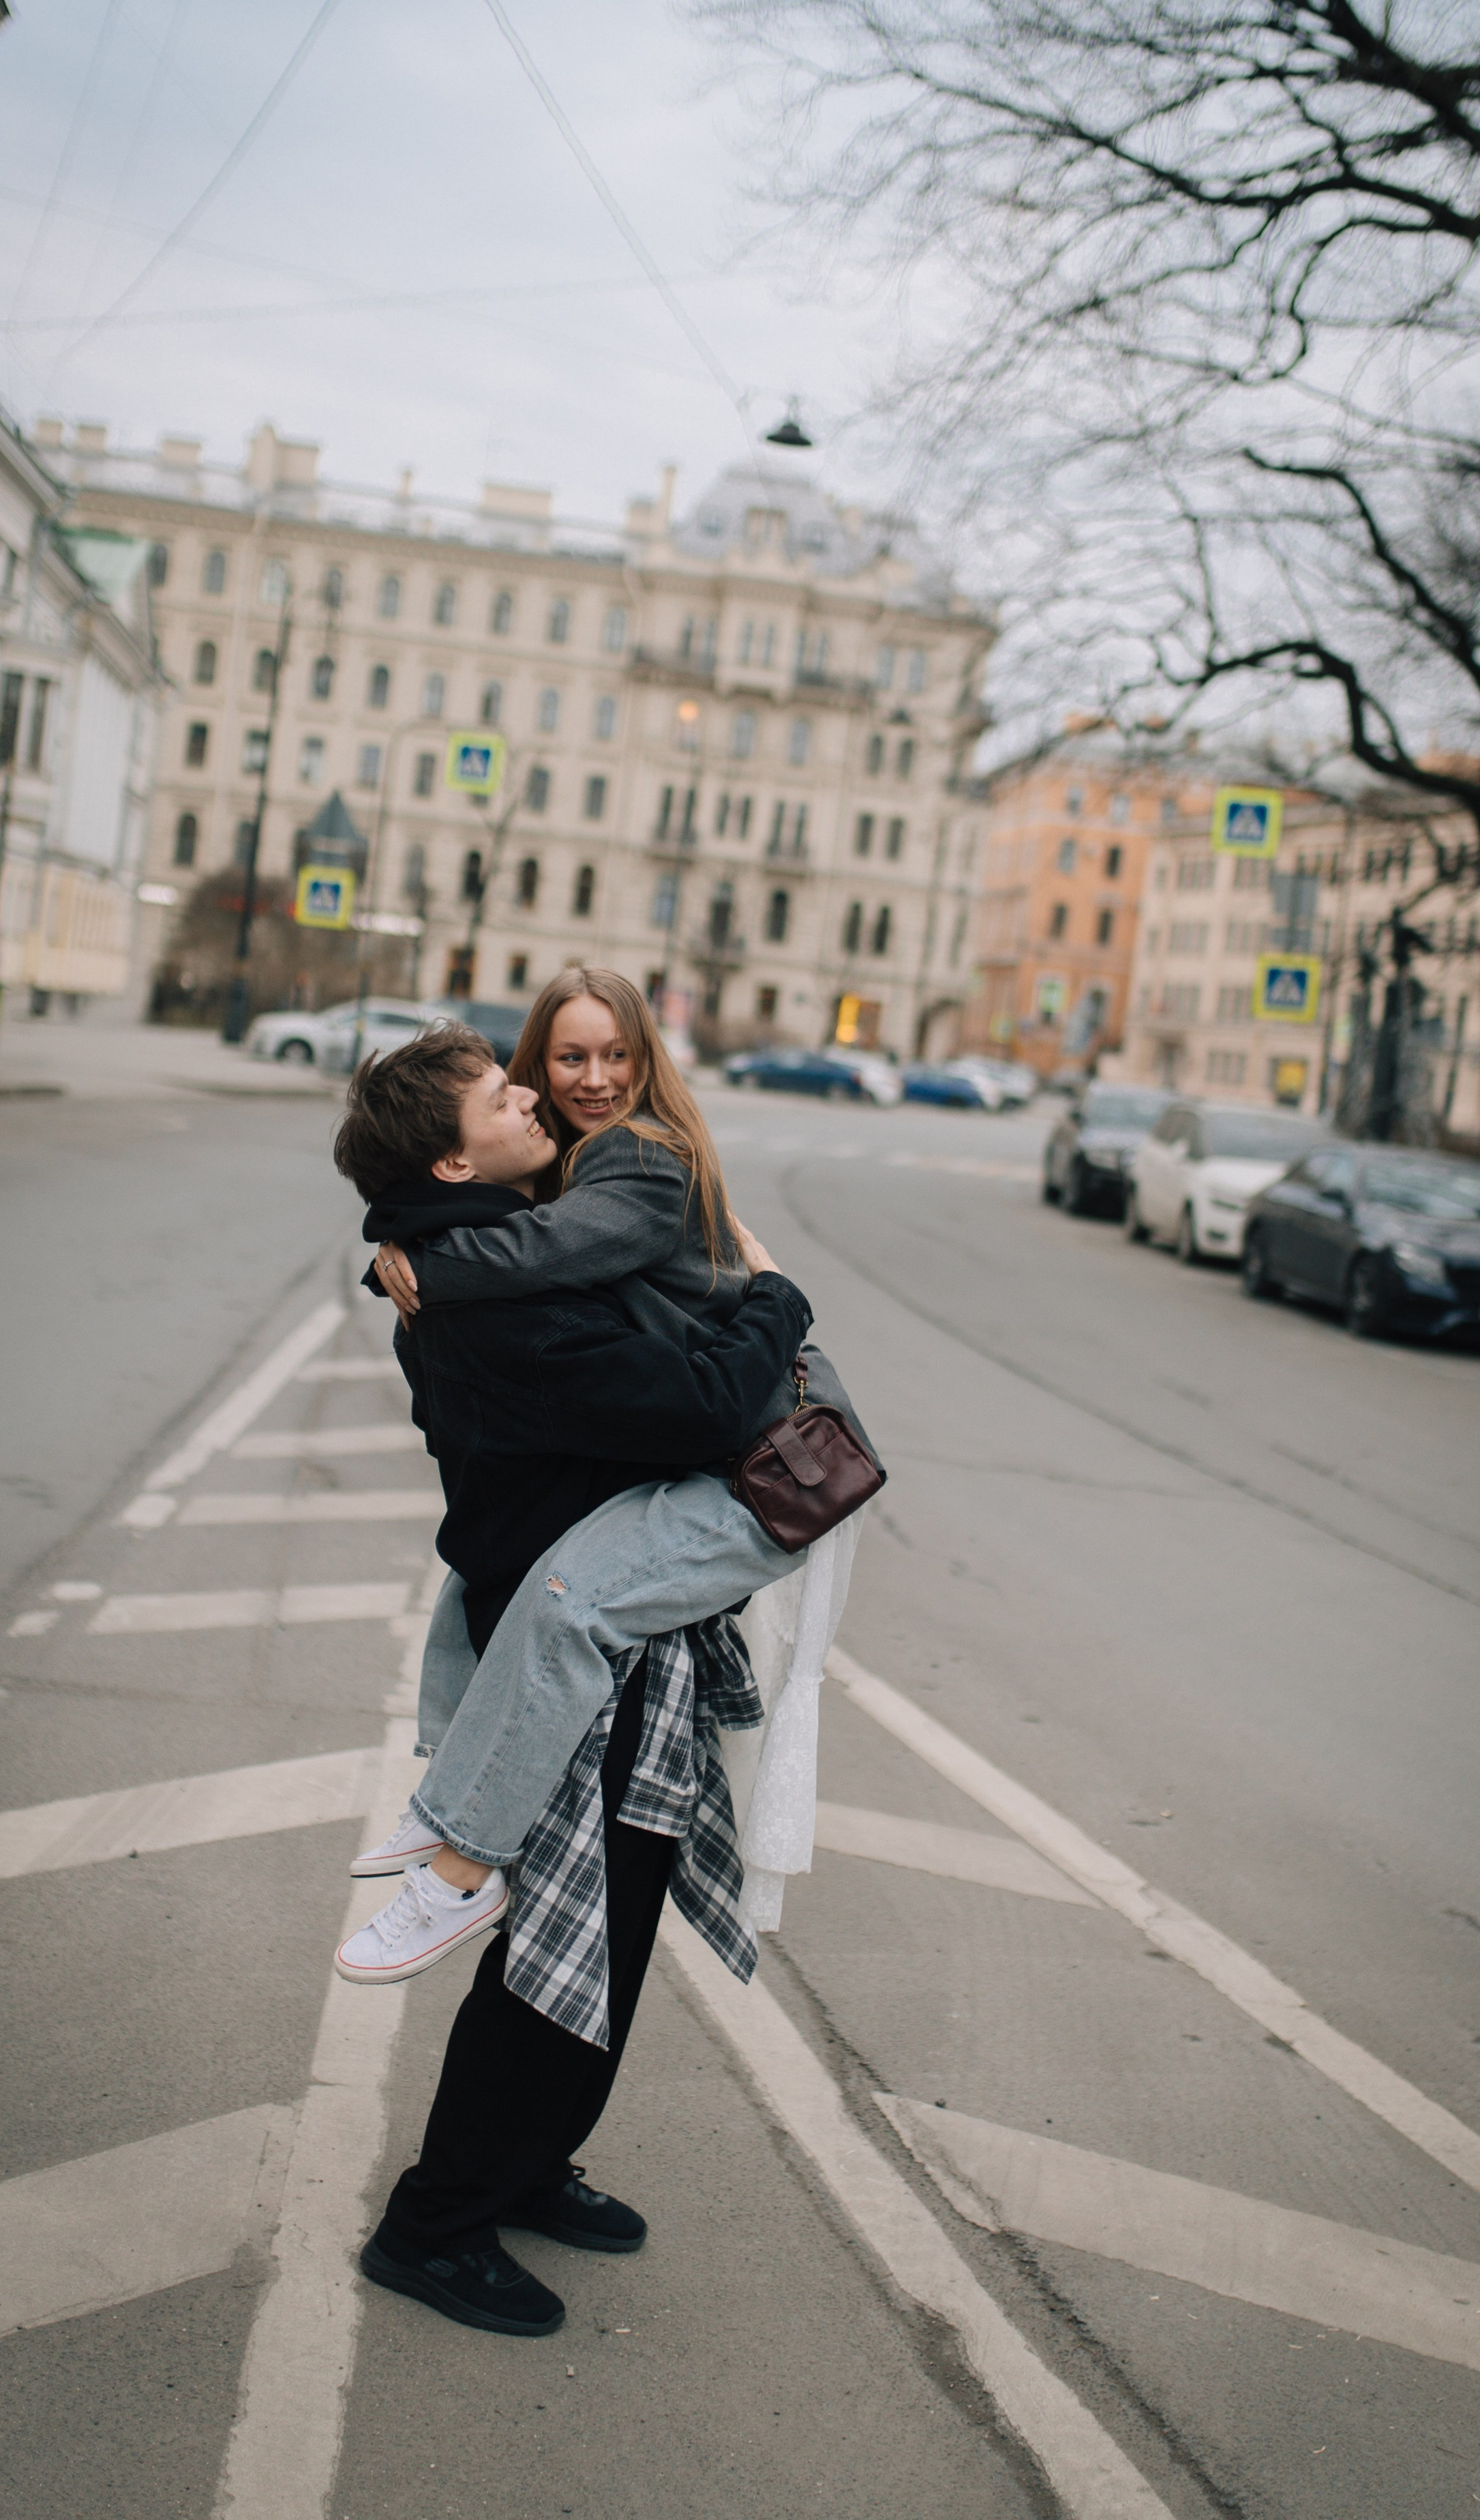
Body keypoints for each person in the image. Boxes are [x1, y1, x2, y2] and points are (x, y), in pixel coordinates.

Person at [329, 1018, 819, 2337]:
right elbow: (711, 1408)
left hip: (610, 1638)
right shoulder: (493, 1306)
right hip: (569, 1655)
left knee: (610, 1922)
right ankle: (435, 2222)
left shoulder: (478, 1255)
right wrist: (777, 1300)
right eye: (503, 1091)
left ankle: (530, 2166)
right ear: (451, 1166)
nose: (536, 1092)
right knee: (559, 1943)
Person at [337, 967, 873, 1979]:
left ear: (649, 1060)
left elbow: (545, 1247)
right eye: (564, 1059)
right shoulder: (561, 1161)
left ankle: (460, 1866)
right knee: (479, 1571)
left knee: (568, 1600)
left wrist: (415, 1263)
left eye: (617, 1055)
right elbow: (511, 1230)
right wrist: (404, 1243)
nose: (588, 1080)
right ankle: (447, 1801)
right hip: (715, 1436)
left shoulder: (638, 1158)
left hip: (773, 1453)